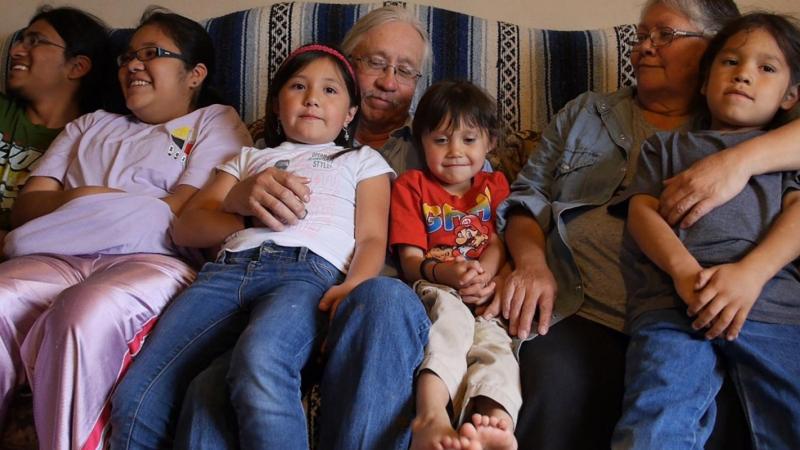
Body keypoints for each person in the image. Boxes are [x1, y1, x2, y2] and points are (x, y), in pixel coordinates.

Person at [494, 1, 754, 448]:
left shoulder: (738, 128)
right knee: (555, 384)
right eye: (641, 37)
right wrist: (532, 263)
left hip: (683, 321)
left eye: (664, 35)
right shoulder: (587, 112)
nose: (643, 49)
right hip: (578, 308)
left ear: (716, 47)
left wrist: (744, 159)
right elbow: (527, 198)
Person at [110, 43, 394, 450]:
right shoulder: (247, 159)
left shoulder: (362, 161)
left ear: (350, 114)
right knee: (137, 394)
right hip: (223, 276)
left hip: (305, 276)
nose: (312, 97)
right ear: (276, 105)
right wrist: (240, 207)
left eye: (330, 90)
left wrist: (354, 287)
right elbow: (187, 228)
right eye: (298, 86)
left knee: (261, 359)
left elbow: (372, 238)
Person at [175, 6, 435, 449]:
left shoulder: (441, 143)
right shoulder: (271, 149)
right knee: (206, 390)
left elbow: (479, 219)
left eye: (405, 70)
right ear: (346, 64)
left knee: (381, 297)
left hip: (372, 308)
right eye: (376, 63)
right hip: (282, 298)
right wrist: (243, 206)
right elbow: (203, 219)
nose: (390, 81)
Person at [0, 8, 251, 450]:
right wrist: (89, 200)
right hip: (53, 258)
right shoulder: (90, 124)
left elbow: (179, 214)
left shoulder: (215, 121)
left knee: (83, 313)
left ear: (195, 74)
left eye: (152, 53)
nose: (132, 64)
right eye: (128, 56)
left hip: (151, 261)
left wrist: (77, 204)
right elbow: (27, 209)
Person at [611, 13, 800, 449]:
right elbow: (642, 213)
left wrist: (750, 275)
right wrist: (683, 273)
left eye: (766, 68)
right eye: (730, 62)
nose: (744, 75)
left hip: (772, 306)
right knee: (654, 419)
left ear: (791, 96)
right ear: (703, 82)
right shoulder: (668, 147)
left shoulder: (785, 157)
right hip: (675, 307)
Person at [389, 80, 517, 450]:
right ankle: (431, 415)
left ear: (490, 142)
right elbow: (410, 260)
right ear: (421, 142)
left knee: (497, 347)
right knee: (452, 325)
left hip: (484, 291)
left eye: (469, 140)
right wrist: (448, 274)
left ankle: (495, 424)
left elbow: (498, 241)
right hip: (437, 287)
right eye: (441, 140)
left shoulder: (496, 185)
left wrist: (483, 276)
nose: (455, 151)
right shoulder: (412, 186)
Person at [0, 6, 111, 249]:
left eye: (34, 41)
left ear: (77, 66)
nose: (17, 51)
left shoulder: (94, 142)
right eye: (20, 41)